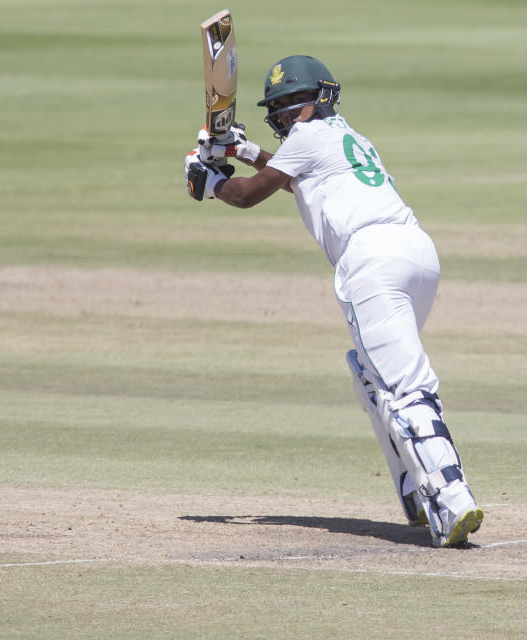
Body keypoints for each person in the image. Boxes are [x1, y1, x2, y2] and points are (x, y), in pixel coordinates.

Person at [184, 55, 482, 548]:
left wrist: (207, 179)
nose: (282, 116)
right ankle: (416, 490)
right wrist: (240, 147)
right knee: (371, 373)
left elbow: (247, 196)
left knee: (406, 387)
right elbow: (298, 178)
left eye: (289, 105)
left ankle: (453, 503)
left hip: (371, 263)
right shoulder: (347, 136)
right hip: (418, 255)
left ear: (318, 98)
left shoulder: (305, 139)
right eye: (276, 109)